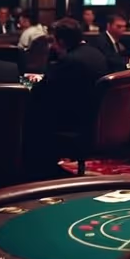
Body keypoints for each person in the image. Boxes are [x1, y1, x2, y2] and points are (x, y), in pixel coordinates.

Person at [25, 18, 110, 177]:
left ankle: (37, 172)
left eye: (54, 41)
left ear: (61, 41)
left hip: (75, 125)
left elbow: (41, 90)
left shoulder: (71, 60)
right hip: (93, 119)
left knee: (29, 115)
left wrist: (51, 60)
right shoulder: (95, 53)